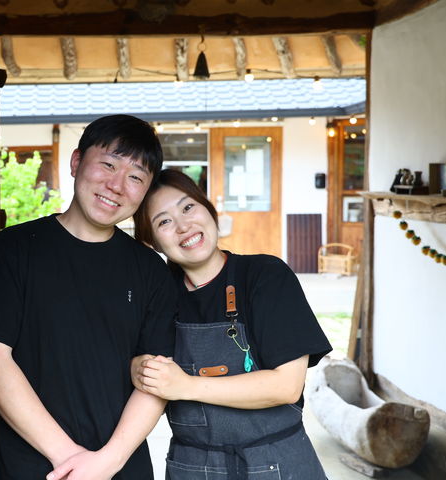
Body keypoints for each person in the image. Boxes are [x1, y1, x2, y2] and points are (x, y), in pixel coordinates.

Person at [0, 115, 178, 479]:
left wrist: (106, 463)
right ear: (76, 162)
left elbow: (155, 380)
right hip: (32, 467)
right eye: (108, 164)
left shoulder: (151, 270)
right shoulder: (13, 249)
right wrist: (71, 460)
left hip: (119, 467)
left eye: (136, 177)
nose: (117, 185)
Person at [131, 169, 332, 480]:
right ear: (151, 241)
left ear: (209, 210)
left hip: (278, 462)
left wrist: (186, 385)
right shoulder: (158, 295)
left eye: (188, 207)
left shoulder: (265, 275)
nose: (184, 226)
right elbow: (141, 366)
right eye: (164, 221)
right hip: (192, 467)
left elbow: (286, 386)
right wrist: (138, 368)